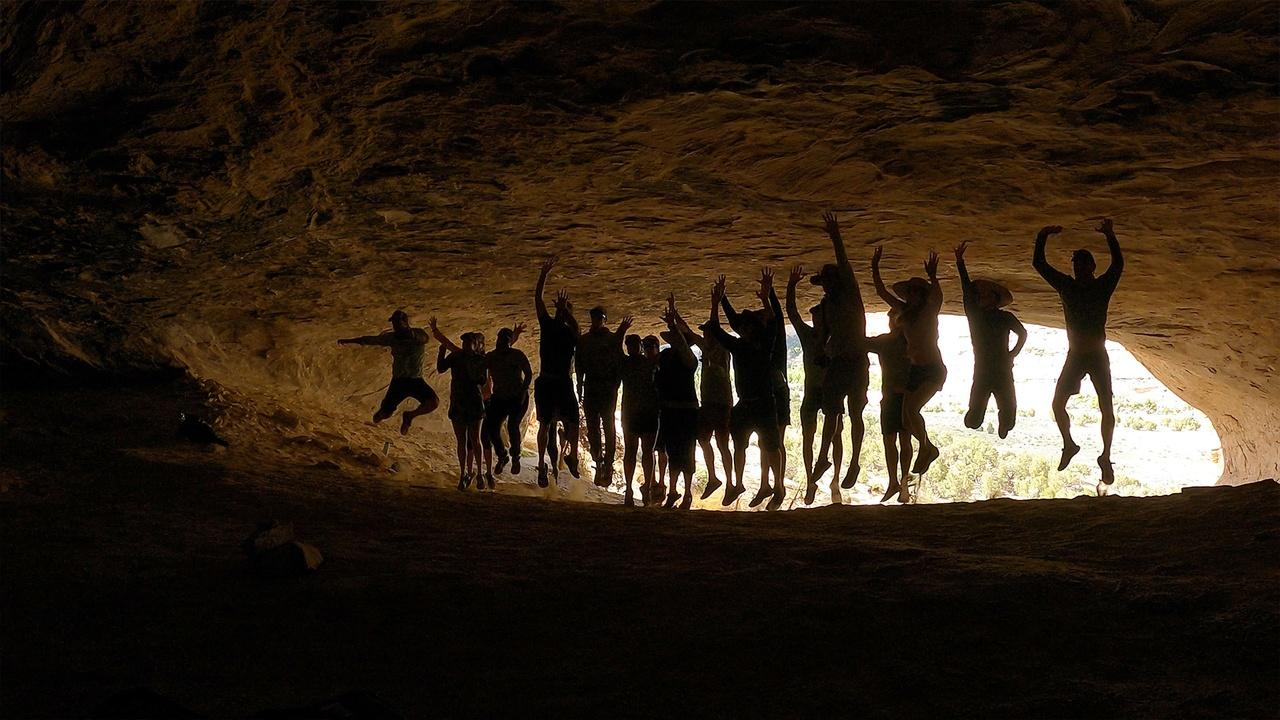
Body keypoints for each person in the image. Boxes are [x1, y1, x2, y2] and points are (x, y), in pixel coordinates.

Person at [1033, 219, 1124, 489]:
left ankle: (1105, 456)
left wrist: (1110, 235)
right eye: (1076, 265)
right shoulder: (1072, 285)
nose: (1078, 268)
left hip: (1092, 355)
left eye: (1082, 264)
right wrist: (1042, 235)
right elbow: (1039, 264)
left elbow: (1118, 265)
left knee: (1105, 407)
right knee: (1058, 404)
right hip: (1084, 355)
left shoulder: (1080, 286)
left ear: (1091, 267)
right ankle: (1070, 444)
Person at [706, 274, 784, 511]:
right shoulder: (740, 345)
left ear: (753, 329)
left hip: (763, 403)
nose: (744, 329)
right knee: (741, 443)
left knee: (770, 446)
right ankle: (738, 483)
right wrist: (717, 302)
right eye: (744, 327)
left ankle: (778, 487)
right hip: (749, 403)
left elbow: (774, 321)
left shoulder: (764, 343)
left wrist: (767, 297)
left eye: (748, 326)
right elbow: (717, 329)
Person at [872, 246, 946, 475]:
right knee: (906, 416)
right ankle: (927, 447)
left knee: (912, 411)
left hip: (933, 369)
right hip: (916, 370)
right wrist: (875, 268)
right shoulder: (905, 312)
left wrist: (933, 277)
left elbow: (938, 296)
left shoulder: (929, 311)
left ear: (922, 295)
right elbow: (882, 293)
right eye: (910, 292)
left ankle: (927, 448)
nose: (911, 295)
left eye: (916, 291)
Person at [811, 212, 870, 491]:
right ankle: (823, 458)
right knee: (832, 411)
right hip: (840, 362)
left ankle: (854, 462)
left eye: (826, 281)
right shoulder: (826, 306)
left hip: (856, 362)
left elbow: (845, 264)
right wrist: (821, 351)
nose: (825, 285)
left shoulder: (850, 294)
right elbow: (823, 336)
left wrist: (835, 236)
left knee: (854, 413)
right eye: (823, 282)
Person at [956, 240, 1028, 439]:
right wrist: (960, 262)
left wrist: (1012, 354)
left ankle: (1003, 425)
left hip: (987, 369)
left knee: (1006, 411)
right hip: (996, 368)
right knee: (976, 418)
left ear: (994, 298)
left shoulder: (984, 317)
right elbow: (967, 291)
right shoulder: (985, 316)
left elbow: (1023, 334)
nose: (980, 297)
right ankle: (995, 423)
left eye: (985, 295)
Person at [787, 264, 842, 505]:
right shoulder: (809, 336)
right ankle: (811, 481)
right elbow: (792, 313)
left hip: (827, 389)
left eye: (818, 317)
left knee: (836, 435)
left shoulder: (835, 337)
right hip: (814, 391)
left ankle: (835, 481)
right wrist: (791, 286)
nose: (815, 321)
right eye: (815, 318)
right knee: (809, 437)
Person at [338, 309, 439, 435]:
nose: (395, 326)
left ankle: (409, 416)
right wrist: (349, 341)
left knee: (433, 403)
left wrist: (412, 335)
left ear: (405, 322)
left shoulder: (418, 335)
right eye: (394, 323)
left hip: (416, 380)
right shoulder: (392, 338)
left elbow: (425, 338)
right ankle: (380, 415)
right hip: (398, 382)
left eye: (397, 323)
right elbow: (371, 340)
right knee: (382, 415)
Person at [533, 257, 582, 488]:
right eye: (561, 310)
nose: (562, 313)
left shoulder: (569, 332)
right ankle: (542, 464)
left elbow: (577, 330)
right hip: (551, 381)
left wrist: (564, 311)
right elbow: (538, 300)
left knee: (573, 423)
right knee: (545, 424)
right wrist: (543, 275)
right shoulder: (549, 325)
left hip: (560, 382)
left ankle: (571, 455)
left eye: (565, 311)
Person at [682, 315, 736, 504]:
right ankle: (714, 478)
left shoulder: (722, 349)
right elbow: (689, 332)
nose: (705, 334)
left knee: (722, 445)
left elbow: (693, 334)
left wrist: (714, 305)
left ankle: (730, 483)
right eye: (705, 332)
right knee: (704, 439)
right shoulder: (706, 347)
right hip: (709, 403)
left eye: (708, 332)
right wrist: (675, 318)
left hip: (721, 403)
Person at [431, 322, 490, 490]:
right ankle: (464, 473)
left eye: (468, 343)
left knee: (474, 439)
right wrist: (441, 353)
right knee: (461, 441)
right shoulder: (456, 357)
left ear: (475, 345)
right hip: (458, 402)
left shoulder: (479, 360)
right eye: (463, 342)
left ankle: (478, 473)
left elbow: (482, 380)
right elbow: (441, 368)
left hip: (472, 403)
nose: (464, 345)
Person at [655, 295, 700, 510]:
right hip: (674, 411)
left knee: (686, 452)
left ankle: (686, 492)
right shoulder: (666, 357)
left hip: (684, 412)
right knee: (675, 452)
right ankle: (674, 491)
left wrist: (673, 322)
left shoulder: (690, 359)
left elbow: (683, 345)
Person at [863, 309, 913, 503]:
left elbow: (863, 342)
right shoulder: (908, 340)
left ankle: (899, 482)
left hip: (895, 397)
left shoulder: (888, 341)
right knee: (898, 440)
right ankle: (899, 482)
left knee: (894, 440)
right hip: (902, 397)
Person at [577, 306, 630, 487]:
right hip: (592, 386)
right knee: (593, 427)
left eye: (600, 318)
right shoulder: (585, 340)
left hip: (606, 388)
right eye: (595, 318)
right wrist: (579, 385)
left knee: (608, 426)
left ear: (604, 320)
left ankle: (607, 463)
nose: (597, 321)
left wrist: (615, 385)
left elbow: (619, 362)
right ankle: (598, 459)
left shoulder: (609, 339)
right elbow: (579, 363)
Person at [483, 323, 533, 475]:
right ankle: (502, 456)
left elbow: (528, 374)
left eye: (506, 339)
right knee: (492, 428)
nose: (502, 342)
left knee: (512, 425)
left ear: (509, 341)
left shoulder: (517, 355)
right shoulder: (491, 356)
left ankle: (516, 456)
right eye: (500, 338)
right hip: (499, 397)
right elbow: (476, 364)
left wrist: (522, 391)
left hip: (517, 397)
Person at [619, 333, 660, 506]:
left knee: (636, 451)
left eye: (633, 345)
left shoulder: (626, 363)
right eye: (630, 345)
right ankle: (641, 490)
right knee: (643, 452)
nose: (632, 348)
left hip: (635, 412)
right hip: (641, 412)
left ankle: (635, 490)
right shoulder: (648, 364)